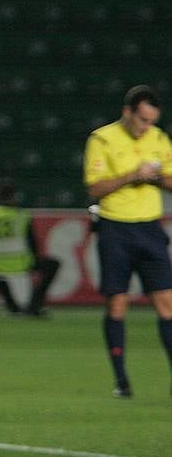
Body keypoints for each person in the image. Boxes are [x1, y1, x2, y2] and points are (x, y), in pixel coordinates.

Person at [82, 85, 172, 398]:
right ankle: (121, 381)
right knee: (117, 302)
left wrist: (157, 178)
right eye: (142, 120)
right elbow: (95, 188)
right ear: (127, 113)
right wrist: (133, 175)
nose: (146, 127)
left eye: (151, 121)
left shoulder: (159, 139)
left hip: (150, 228)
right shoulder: (102, 139)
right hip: (115, 229)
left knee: (167, 303)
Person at [0, 179, 60, 316]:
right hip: (19, 263)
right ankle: (34, 305)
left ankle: (12, 306)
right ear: (13, 196)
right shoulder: (21, 216)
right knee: (53, 265)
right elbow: (32, 244)